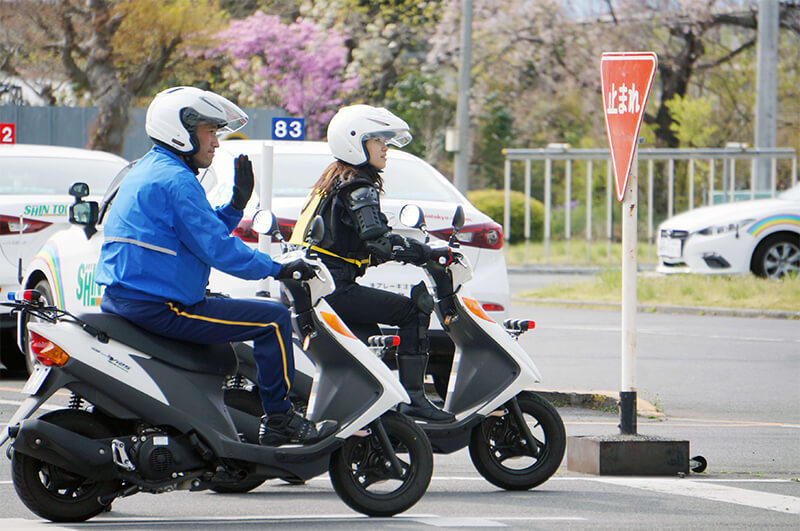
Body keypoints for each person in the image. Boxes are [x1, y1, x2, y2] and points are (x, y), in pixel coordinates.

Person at [95, 86, 336, 446]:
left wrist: (236, 205)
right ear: (181, 130)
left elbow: (197, 237)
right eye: (209, 132)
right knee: (273, 320)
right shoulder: (176, 180)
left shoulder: (150, 169)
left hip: (134, 298)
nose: (216, 143)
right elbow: (219, 250)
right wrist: (279, 268)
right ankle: (281, 419)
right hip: (163, 307)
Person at [291, 104, 454, 423]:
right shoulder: (358, 186)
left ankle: (369, 411)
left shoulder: (335, 181)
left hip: (317, 286)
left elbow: (363, 242)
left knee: (369, 345)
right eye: (377, 140)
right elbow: (377, 239)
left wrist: (399, 248)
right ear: (355, 141)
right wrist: (424, 253)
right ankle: (414, 399)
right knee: (413, 309)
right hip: (335, 287)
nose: (385, 148)